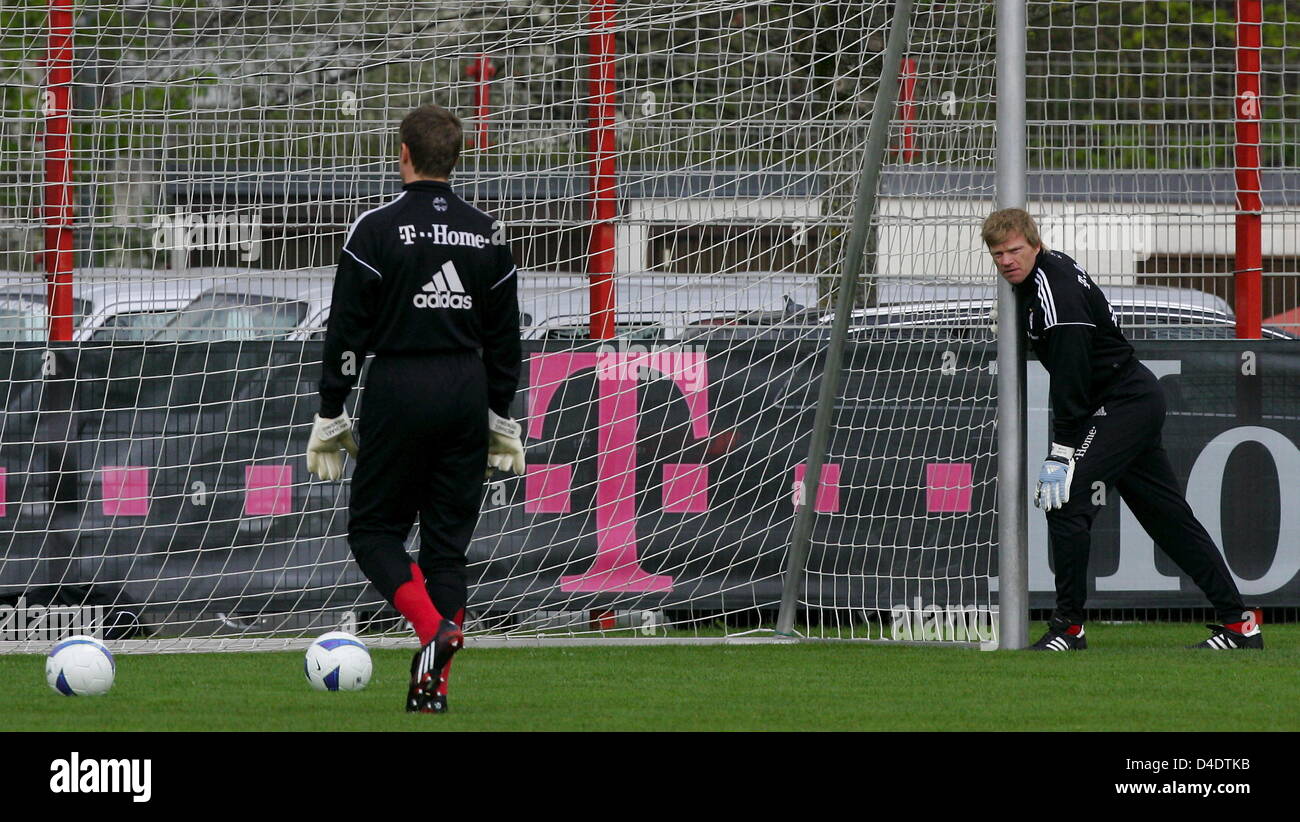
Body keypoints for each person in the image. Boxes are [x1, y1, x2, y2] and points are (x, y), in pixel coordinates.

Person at [305, 104, 526, 711]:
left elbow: (347, 329)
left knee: (373, 530)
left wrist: (332, 407)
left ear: (403, 152)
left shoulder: (375, 227)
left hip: (400, 385)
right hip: (465, 388)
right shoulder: (487, 232)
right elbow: (506, 334)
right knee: (446, 550)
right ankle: (434, 690)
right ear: (455, 158)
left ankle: (432, 630)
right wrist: (499, 412)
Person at [982, 208, 1262, 651]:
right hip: (1127, 402)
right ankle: (1240, 625)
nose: (1006, 261)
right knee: (1169, 519)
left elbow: (1071, 382)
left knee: (1068, 501)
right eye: (997, 254)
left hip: (1121, 404)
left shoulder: (1056, 296)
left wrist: (1061, 453)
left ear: (1034, 244)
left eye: (1014, 250)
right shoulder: (1046, 274)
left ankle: (1068, 628)